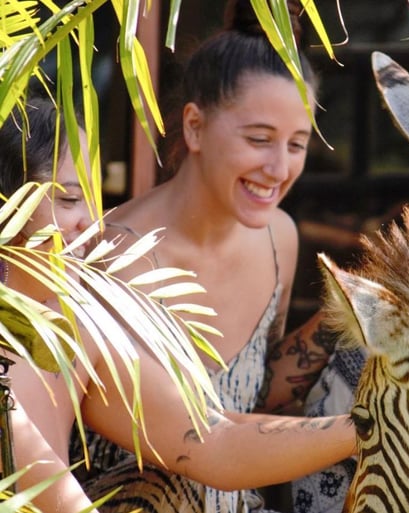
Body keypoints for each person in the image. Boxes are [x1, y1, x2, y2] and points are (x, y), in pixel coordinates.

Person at [1, 98, 353, 513]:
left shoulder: (74, 317)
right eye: (69, 200)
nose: (91, 224)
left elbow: (212, 439)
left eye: (92, 200)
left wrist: (368, 426)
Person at [67, 0, 350, 512]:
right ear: (194, 127)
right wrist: (374, 428)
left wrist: (353, 317)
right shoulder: (108, 258)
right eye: (259, 139)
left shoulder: (278, 237)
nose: (278, 168)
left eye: (297, 144)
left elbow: (257, 400)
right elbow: (208, 441)